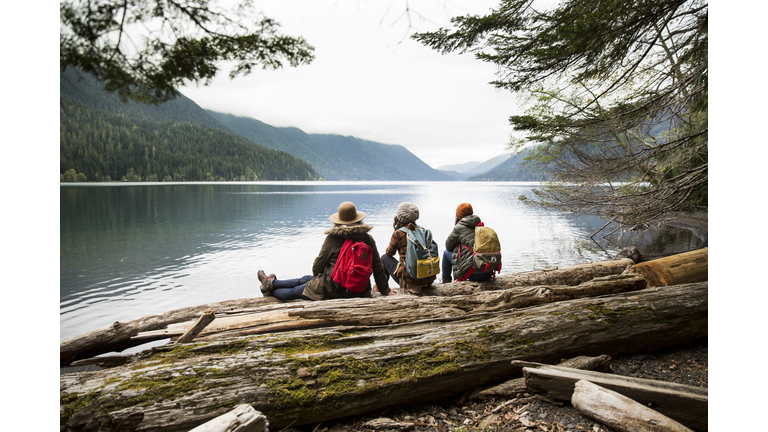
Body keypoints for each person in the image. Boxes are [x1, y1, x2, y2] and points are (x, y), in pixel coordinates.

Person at [258, 201, 394, 301]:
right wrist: (385, 290)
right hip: (360, 290)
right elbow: (377, 267)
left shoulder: (334, 238)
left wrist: (321, 276)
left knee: (295, 291)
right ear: (358, 220)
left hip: (334, 288)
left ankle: (268, 290)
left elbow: (317, 268)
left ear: (339, 221)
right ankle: (271, 283)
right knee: (305, 279)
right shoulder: (367, 238)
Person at [380, 202, 437, 294]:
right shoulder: (423, 230)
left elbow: (389, 253)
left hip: (411, 282)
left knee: (384, 258)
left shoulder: (399, 233)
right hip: (428, 279)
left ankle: (384, 289)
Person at [442, 203, 494, 283]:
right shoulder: (479, 225)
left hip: (473, 274)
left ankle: (446, 282)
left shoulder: (459, 228)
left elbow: (448, 246)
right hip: (488, 271)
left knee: (446, 253)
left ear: (458, 216)